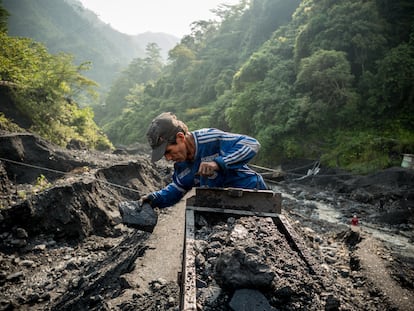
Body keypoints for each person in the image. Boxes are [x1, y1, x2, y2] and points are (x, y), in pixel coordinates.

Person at [142, 112, 267, 208]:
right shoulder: (181, 165)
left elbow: (252, 144)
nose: (168, 158)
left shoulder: (209, 139)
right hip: (222, 205)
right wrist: (155, 198)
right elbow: (178, 188)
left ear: (180, 137)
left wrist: (218, 163)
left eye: (168, 151)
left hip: (252, 193)